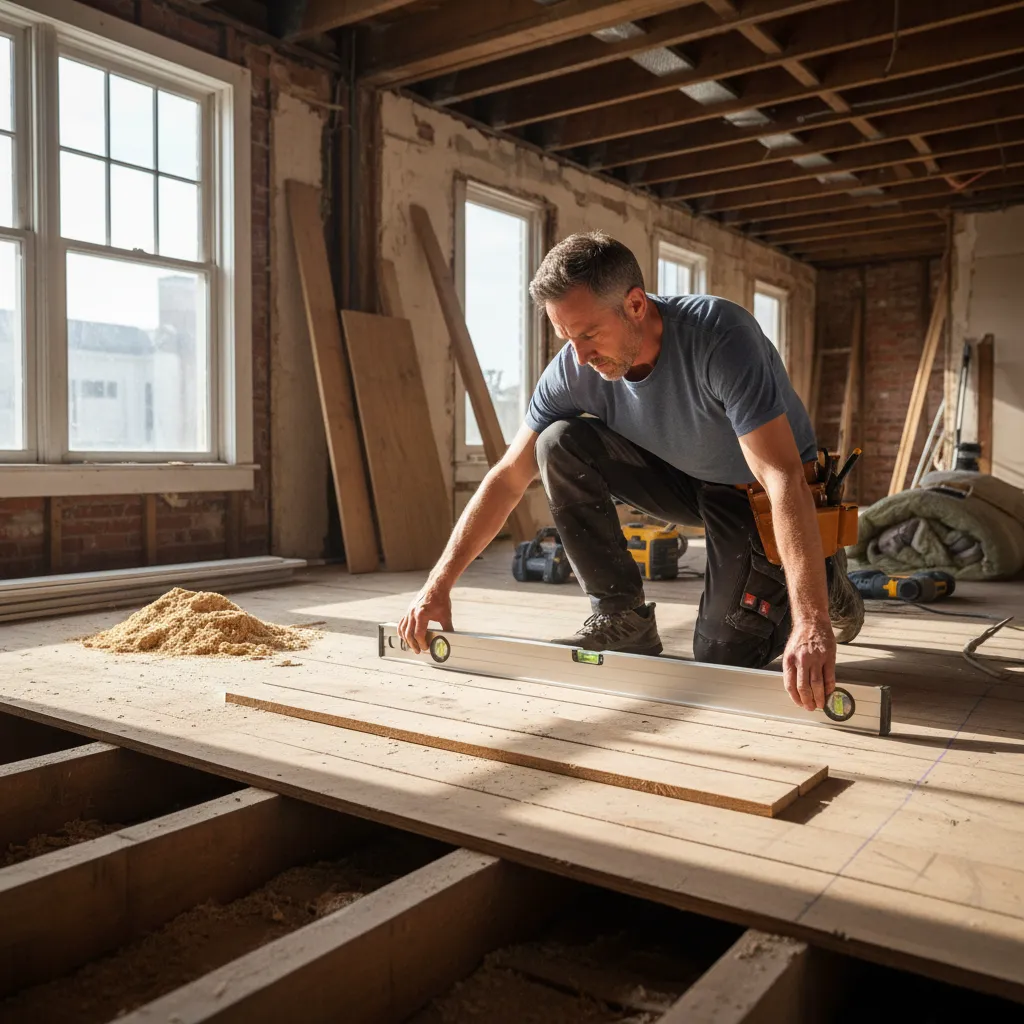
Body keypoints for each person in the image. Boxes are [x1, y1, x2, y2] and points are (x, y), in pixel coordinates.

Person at [399, 232, 863, 711]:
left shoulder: (720, 337)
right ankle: (622, 618)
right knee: (558, 442)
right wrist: (437, 585)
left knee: (722, 657)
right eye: (566, 338)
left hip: (755, 496)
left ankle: (825, 578)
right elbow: (509, 477)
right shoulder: (574, 368)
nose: (579, 357)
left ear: (636, 305)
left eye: (588, 335)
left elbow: (783, 477)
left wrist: (812, 623)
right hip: (684, 479)